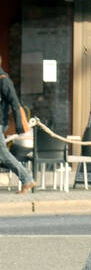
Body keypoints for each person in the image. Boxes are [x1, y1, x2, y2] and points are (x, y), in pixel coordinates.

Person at [0, 60, 35, 193]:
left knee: (3, 155)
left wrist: (19, 125)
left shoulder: (3, 80)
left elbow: (15, 103)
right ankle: (27, 179)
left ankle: (27, 179)